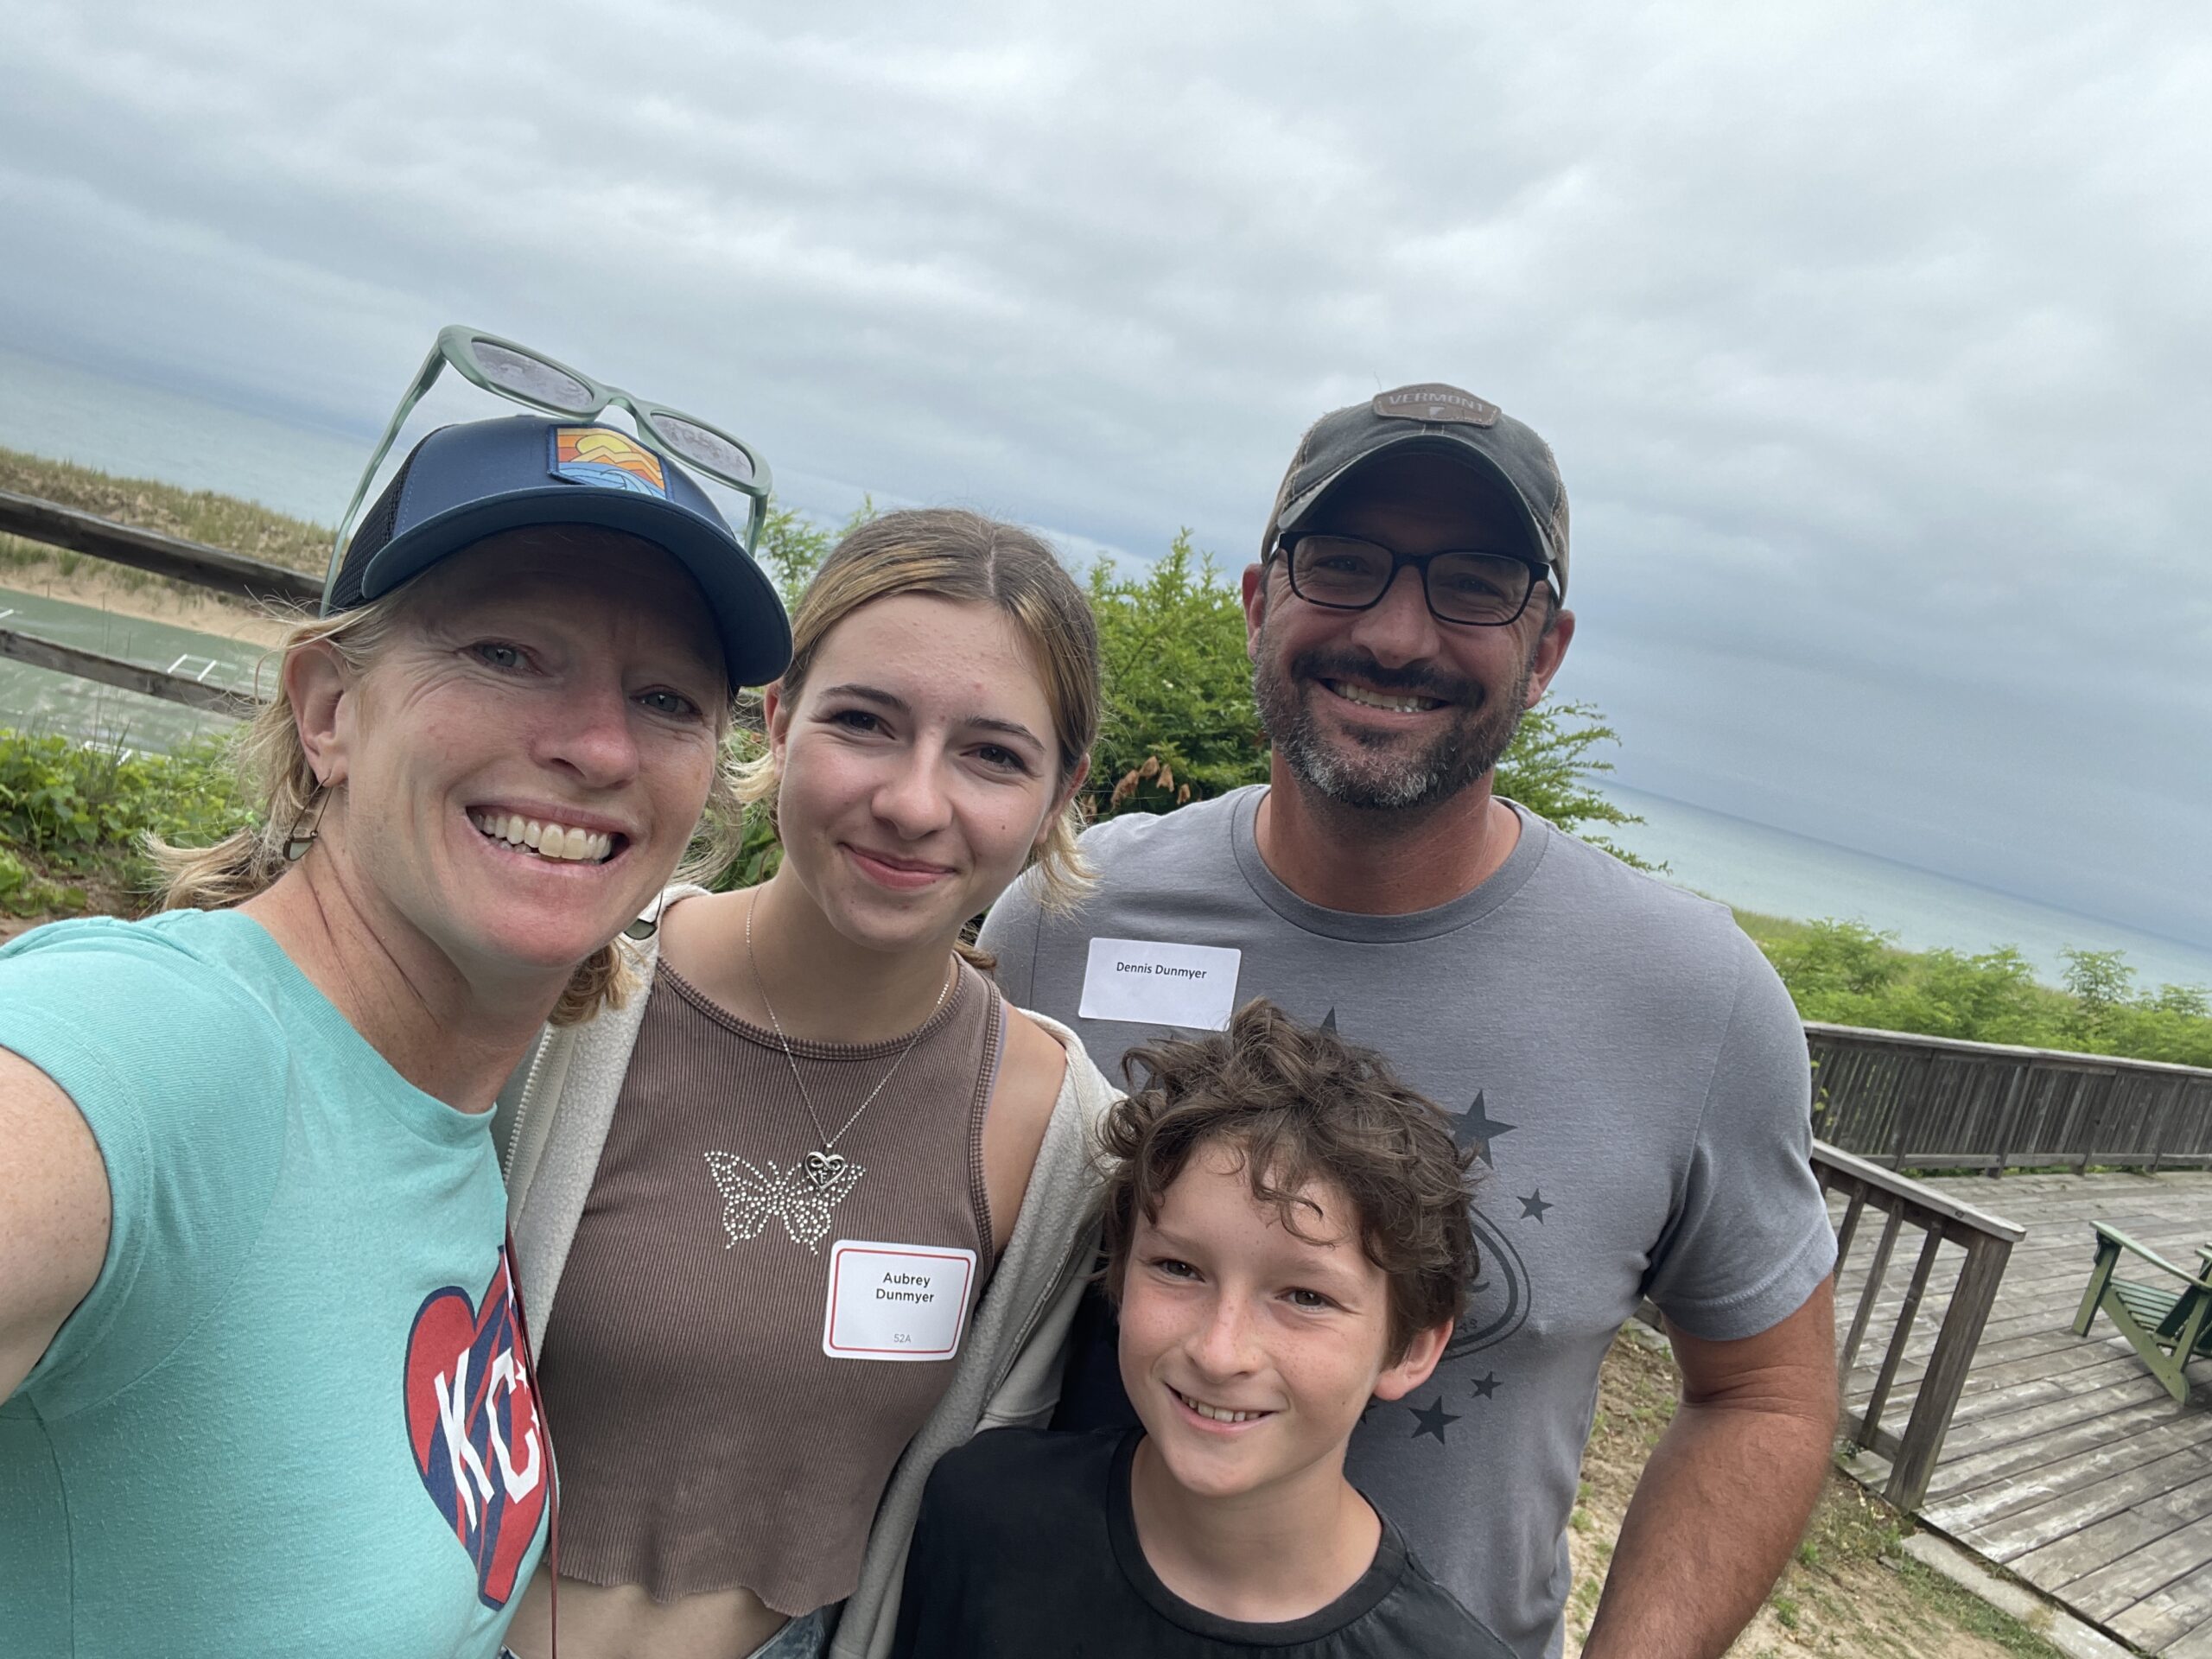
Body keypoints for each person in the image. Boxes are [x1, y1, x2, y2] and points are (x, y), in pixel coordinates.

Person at [977, 382, 1840, 1659]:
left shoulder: (1695, 999)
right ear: (1259, 601)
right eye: (1342, 563)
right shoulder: (1065, 915)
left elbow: (1766, 1395)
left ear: (1546, 653)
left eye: (1475, 585)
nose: (1394, 633)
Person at [0, 411, 790, 1656]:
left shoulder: (443, 1111)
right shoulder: (142, 1055)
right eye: (506, 653)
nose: (596, 745)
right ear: (328, 710)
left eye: (665, 698)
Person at [495, 508, 1122, 1659]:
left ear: (1060, 793)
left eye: (993, 754)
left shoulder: (1061, 1138)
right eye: (865, 723)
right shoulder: (563, 1003)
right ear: (779, 719)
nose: (915, 803)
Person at [891, 1001, 1516, 1659]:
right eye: (1179, 1268)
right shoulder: (980, 1510)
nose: (1220, 1353)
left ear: (1411, 1347)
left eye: (1306, 1296)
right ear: (1119, 1273)